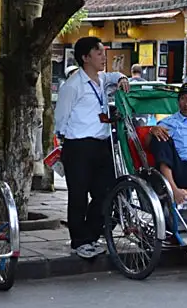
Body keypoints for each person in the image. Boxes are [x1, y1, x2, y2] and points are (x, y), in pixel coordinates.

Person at [54, 36, 130, 259]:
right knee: (78, 195)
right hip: (78, 145)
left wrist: (123, 77)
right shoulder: (73, 85)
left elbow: (115, 76)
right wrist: (63, 145)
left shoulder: (102, 79)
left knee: (106, 192)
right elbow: (61, 117)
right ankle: (80, 241)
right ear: (85, 57)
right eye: (98, 53)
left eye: (103, 52)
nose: (102, 57)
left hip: (101, 143)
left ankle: (91, 234)